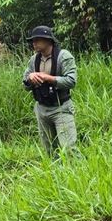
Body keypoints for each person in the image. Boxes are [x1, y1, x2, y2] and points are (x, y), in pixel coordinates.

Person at [22, 26, 78, 155]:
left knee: (69, 149)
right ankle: (54, 173)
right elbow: (25, 85)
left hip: (61, 108)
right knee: (49, 150)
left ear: (48, 40)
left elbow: (71, 81)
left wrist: (49, 78)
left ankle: (77, 172)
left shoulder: (63, 56)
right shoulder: (34, 60)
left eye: (37, 40)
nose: (34, 43)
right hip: (41, 109)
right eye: (33, 40)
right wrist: (30, 78)